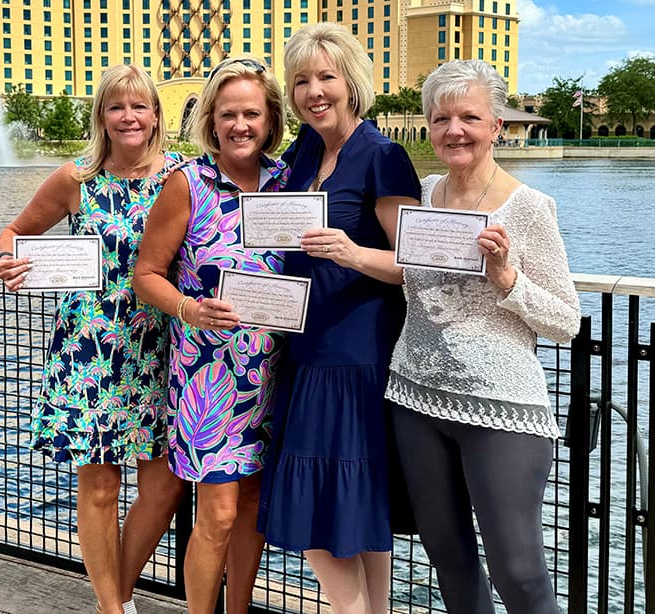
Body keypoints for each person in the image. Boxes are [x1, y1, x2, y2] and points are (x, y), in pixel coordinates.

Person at [384, 59, 581, 613]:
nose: (455, 130)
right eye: (441, 118)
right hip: (415, 397)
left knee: (518, 571)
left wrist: (506, 278)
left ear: (496, 126)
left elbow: (566, 320)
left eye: (469, 117)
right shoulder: (421, 195)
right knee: (448, 557)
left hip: (500, 408)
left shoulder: (529, 208)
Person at [0, 64, 186, 614]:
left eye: (139, 106)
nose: (129, 117)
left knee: (165, 486)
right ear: (101, 116)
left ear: (156, 116)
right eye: (116, 106)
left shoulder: (183, 177)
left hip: (162, 348)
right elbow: (15, 231)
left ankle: (115, 593)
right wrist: (7, 259)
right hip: (89, 352)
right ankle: (113, 607)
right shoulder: (75, 179)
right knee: (100, 488)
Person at [256, 22, 421, 614]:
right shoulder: (304, 151)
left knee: (323, 512)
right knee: (355, 513)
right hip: (305, 346)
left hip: (357, 354)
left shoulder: (382, 155)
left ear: (351, 82)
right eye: (301, 80)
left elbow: (413, 265)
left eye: (326, 77)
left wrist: (351, 253)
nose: (314, 91)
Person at [132, 57, 288, 614]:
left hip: (275, 376)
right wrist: (189, 309)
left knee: (251, 508)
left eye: (252, 114)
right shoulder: (188, 182)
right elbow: (146, 273)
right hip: (209, 383)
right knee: (217, 514)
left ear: (270, 119)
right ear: (211, 121)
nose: (240, 125)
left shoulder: (288, 182)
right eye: (228, 115)